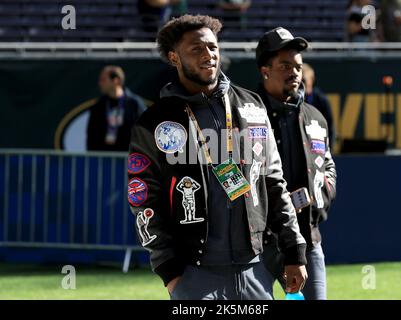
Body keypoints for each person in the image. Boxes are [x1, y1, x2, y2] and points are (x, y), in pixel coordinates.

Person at [128, 15, 307, 300]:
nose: (208, 55)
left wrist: (293, 249)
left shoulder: (252, 105)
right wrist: (170, 271)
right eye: (196, 49)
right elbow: (143, 199)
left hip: (255, 270)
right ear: (174, 57)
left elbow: (274, 181)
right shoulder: (155, 121)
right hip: (194, 274)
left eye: (213, 47)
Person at [255, 27, 337, 300]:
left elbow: (328, 166)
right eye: (285, 65)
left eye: (298, 66)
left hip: (306, 238)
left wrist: (320, 196)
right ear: (265, 70)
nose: (294, 72)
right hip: (256, 243)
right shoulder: (244, 115)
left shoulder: (315, 116)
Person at [87, 65, 146, 151]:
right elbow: (92, 136)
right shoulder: (99, 105)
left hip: (130, 159)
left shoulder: (135, 104)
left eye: (103, 80)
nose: (100, 83)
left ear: (116, 81)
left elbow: (144, 132)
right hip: (104, 160)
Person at [303, 63, 336, 150]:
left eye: (304, 80)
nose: (301, 84)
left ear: (312, 79)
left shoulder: (321, 100)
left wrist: (329, 149)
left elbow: (330, 127)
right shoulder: (291, 100)